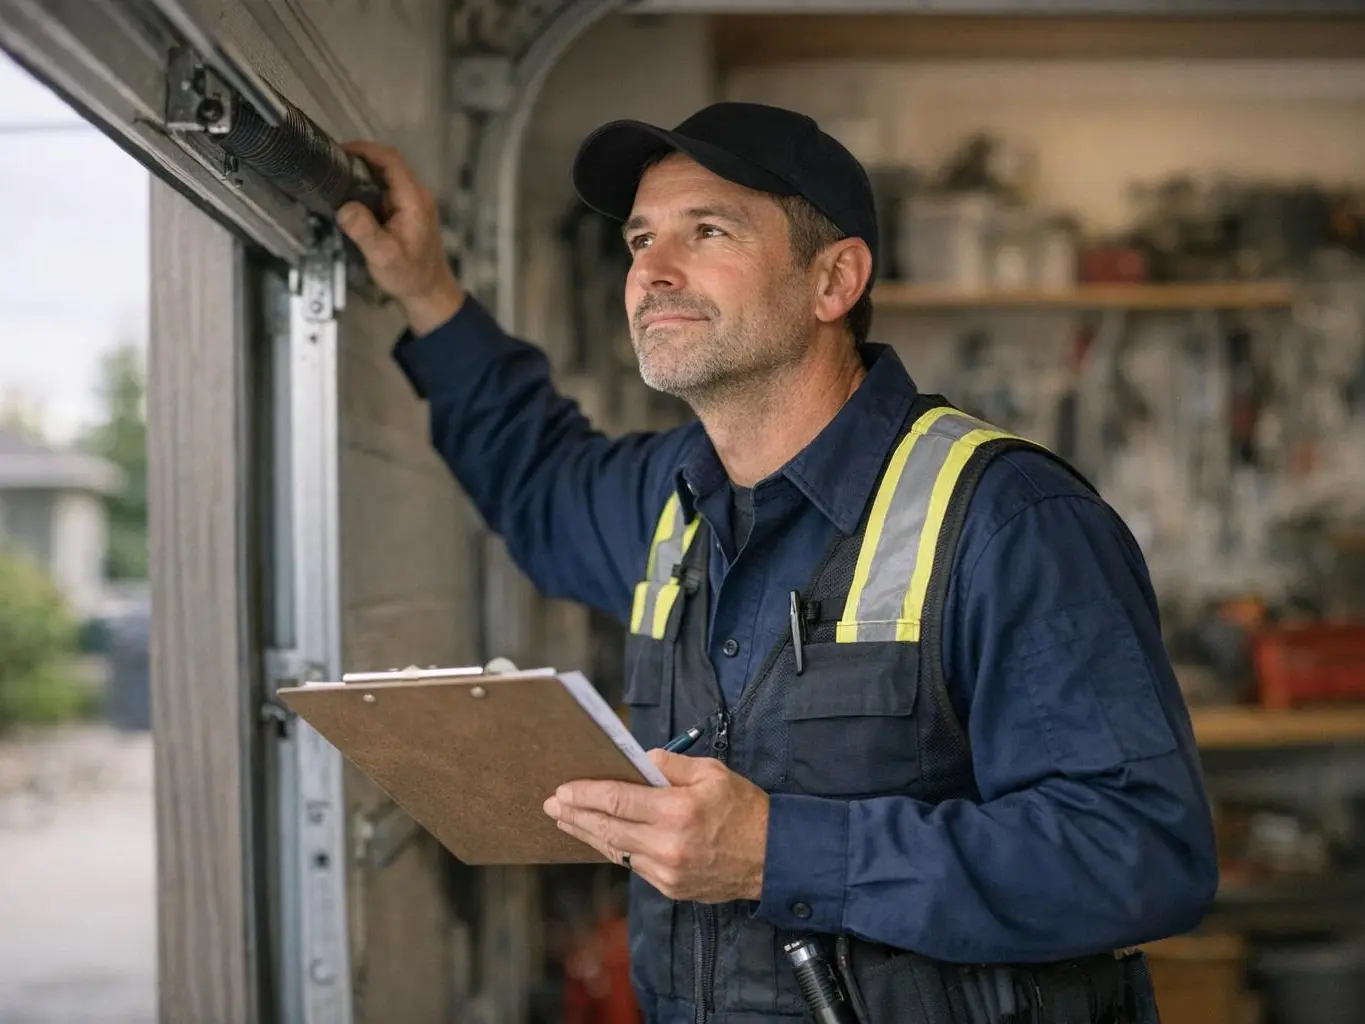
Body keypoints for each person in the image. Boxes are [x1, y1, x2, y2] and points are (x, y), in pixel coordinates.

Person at [337, 101, 1217, 1024]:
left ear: (833, 279)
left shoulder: (1007, 520)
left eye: (706, 231)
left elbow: (1142, 852)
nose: (651, 273)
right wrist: (428, 291)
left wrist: (775, 852)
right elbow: (539, 477)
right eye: (639, 240)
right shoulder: (666, 499)